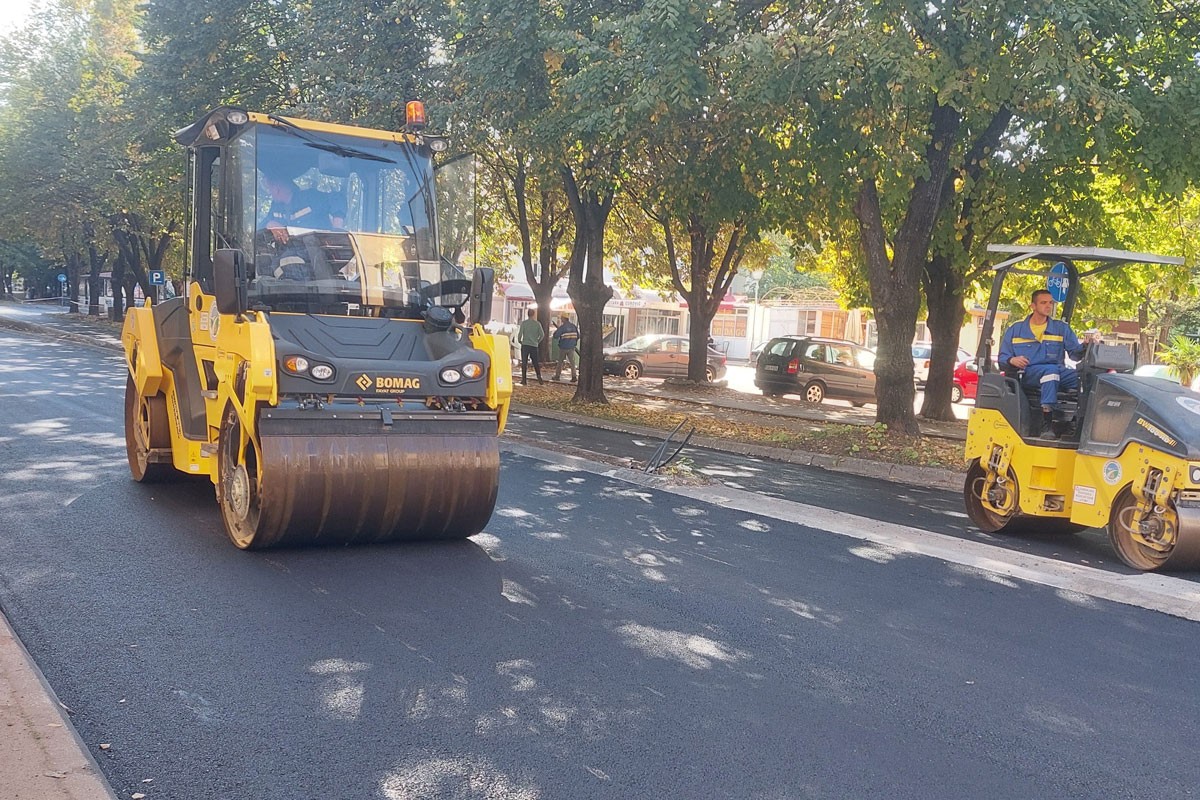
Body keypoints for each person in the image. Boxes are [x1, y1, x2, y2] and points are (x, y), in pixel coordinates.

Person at [999, 288, 1095, 439]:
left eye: (1050, 303)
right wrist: (1012, 360)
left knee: (1088, 379)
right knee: (1050, 373)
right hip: (1029, 373)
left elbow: (1075, 355)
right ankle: (1047, 424)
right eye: (1043, 303)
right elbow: (1003, 358)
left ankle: (1077, 422)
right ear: (1033, 306)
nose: (1048, 306)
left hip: (1057, 371)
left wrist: (1086, 345)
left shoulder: (1060, 328)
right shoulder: (1016, 329)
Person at [517, 308, 545, 385]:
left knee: (524, 363)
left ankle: (524, 379)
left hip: (525, 344)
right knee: (535, 362)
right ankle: (539, 377)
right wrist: (537, 341)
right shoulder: (537, 324)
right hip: (534, 345)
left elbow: (519, 335)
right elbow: (542, 335)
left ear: (527, 314)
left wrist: (520, 341)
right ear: (533, 314)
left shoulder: (524, 323)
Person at [552, 314, 579, 382]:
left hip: (563, 347)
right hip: (572, 347)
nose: (561, 319)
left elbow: (555, 336)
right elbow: (578, 336)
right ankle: (574, 376)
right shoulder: (574, 327)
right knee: (572, 363)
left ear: (563, 318)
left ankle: (557, 376)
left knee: (560, 362)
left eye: (561, 318)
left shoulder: (562, 327)